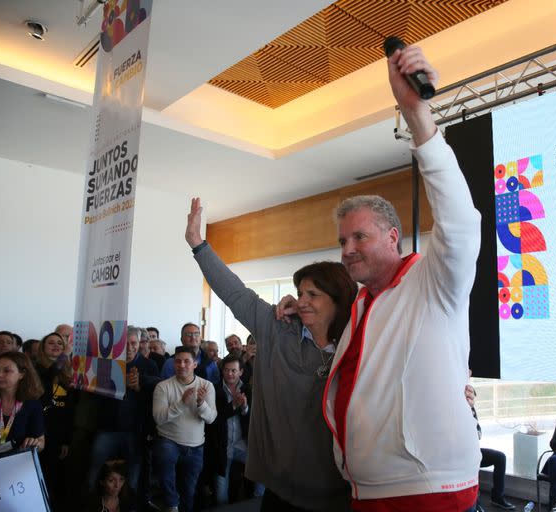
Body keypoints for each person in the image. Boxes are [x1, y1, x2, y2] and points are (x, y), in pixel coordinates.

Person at [283, 44, 481, 510]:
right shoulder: (360, 304)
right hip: (369, 490)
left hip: (428, 490)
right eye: (342, 241)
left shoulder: (434, 283)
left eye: (359, 238)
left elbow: (460, 221)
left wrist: (418, 117)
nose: (347, 250)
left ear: (393, 236)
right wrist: (296, 311)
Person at [186, 203, 358, 512]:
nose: (302, 302)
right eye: (300, 293)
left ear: (338, 300)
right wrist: (198, 244)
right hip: (279, 488)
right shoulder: (278, 329)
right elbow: (235, 292)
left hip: (336, 493)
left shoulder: (357, 346)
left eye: (313, 295)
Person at [86, 326, 160, 508]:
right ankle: (91, 506)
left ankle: (129, 508)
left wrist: (140, 384)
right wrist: (118, 382)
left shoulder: (149, 365)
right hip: (107, 428)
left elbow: (157, 395)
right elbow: (92, 392)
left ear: (140, 343)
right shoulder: (105, 362)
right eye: (125, 343)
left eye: (133, 343)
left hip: (135, 431)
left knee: (132, 477)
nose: (129, 347)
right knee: (93, 472)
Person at [152, 346, 217, 512]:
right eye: (178, 361)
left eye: (187, 361)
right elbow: (158, 418)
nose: (182, 365)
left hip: (195, 446)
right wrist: (181, 403)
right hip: (169, 441)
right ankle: (171, 505)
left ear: (194, 364)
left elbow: (211, 419)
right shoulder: (163, 386)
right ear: (174, 364)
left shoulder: (206, 386)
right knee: (166, 467)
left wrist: (200, 404)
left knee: (189, 492)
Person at [34, 332, 77, 511]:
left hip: (60, 430)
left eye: (60, 343)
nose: (56, 345)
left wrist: (67, 439)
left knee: (58, 476)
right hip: (40, 429)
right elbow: (49, 374)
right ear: (43, 348)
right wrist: (65, 354)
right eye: (50, 343)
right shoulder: (35, 369)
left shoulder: (69, 372)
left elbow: (70, 409)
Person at [204, 354, 250, 506]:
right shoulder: (214, 389)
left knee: (263, 475)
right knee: (220, 496)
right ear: (222, 371)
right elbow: (214, 419)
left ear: (241, 372)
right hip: (221, 448)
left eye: (234, 371)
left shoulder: (247, 389)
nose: (230, 374)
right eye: (226, 370)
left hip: (242, 445)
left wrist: (244, 408)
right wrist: (234, 406)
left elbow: (252, 418)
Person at [465, 384, 515, 511]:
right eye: (469, 398)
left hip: (474, 451)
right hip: (463, 456)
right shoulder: (457, 410)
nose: (471, 401)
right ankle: (477, 504)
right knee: (471, 463)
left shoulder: (472, 410)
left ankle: (497, 497)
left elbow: (478, 432)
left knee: (500, 457)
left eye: (472, 399)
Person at [0, 351, 45, 452]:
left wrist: (35, 443)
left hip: (17, 463)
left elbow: (41, 443)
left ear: (22, 374)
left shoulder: (32, 404)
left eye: (6, 371)